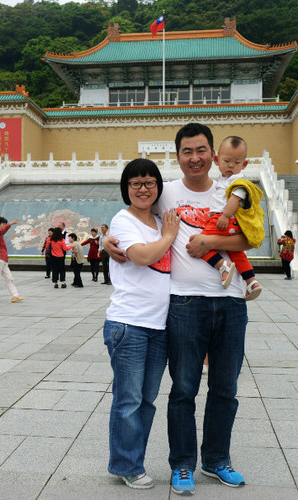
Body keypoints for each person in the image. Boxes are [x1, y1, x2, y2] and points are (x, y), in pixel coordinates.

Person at [105, 123, 251, 495]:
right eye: (187, 151)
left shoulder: (233, 190)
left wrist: (209, 241)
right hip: (184, 304)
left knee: (225, 388)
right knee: (183, 389)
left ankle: (217, 460)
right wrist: (106, 239)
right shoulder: (165, 192)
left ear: (213, 154)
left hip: (231, 302)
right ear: (178, 156)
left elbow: (252, 236)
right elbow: (131, 211)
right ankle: (182, 465)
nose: (195, 158)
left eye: (202, 150)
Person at [104, 158, 179, 489]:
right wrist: (169, 236)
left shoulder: (162, 219)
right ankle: (127, 464)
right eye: (135, 183)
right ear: (126, 189)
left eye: (149, 182)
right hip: (128, 324)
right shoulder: (123, 221)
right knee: (129, 399)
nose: (143, 189)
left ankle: (132, 459)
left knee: (146, 399)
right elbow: (143, 257)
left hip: (159, 327)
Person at [198, 135, 263, 300]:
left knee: (198, 244)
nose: (231, 166)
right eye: (227, 161)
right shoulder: (225, 179)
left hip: (224, 219)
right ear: (217, 159)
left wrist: (225, 215)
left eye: (237, 162)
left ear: (245, 164)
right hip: (228, 222)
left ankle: (222, 266)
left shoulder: (238, 180)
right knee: (236, 252)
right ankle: (251, 282)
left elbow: (235, 199)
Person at [0, 217, 24, 303]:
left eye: (5, 223)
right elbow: (2, 230)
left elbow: (3, 231)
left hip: (2, 260)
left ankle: (15, 295)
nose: (4, 225)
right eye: (3, 224)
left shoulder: (0, 236)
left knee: (9, 278)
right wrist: (10, 224)